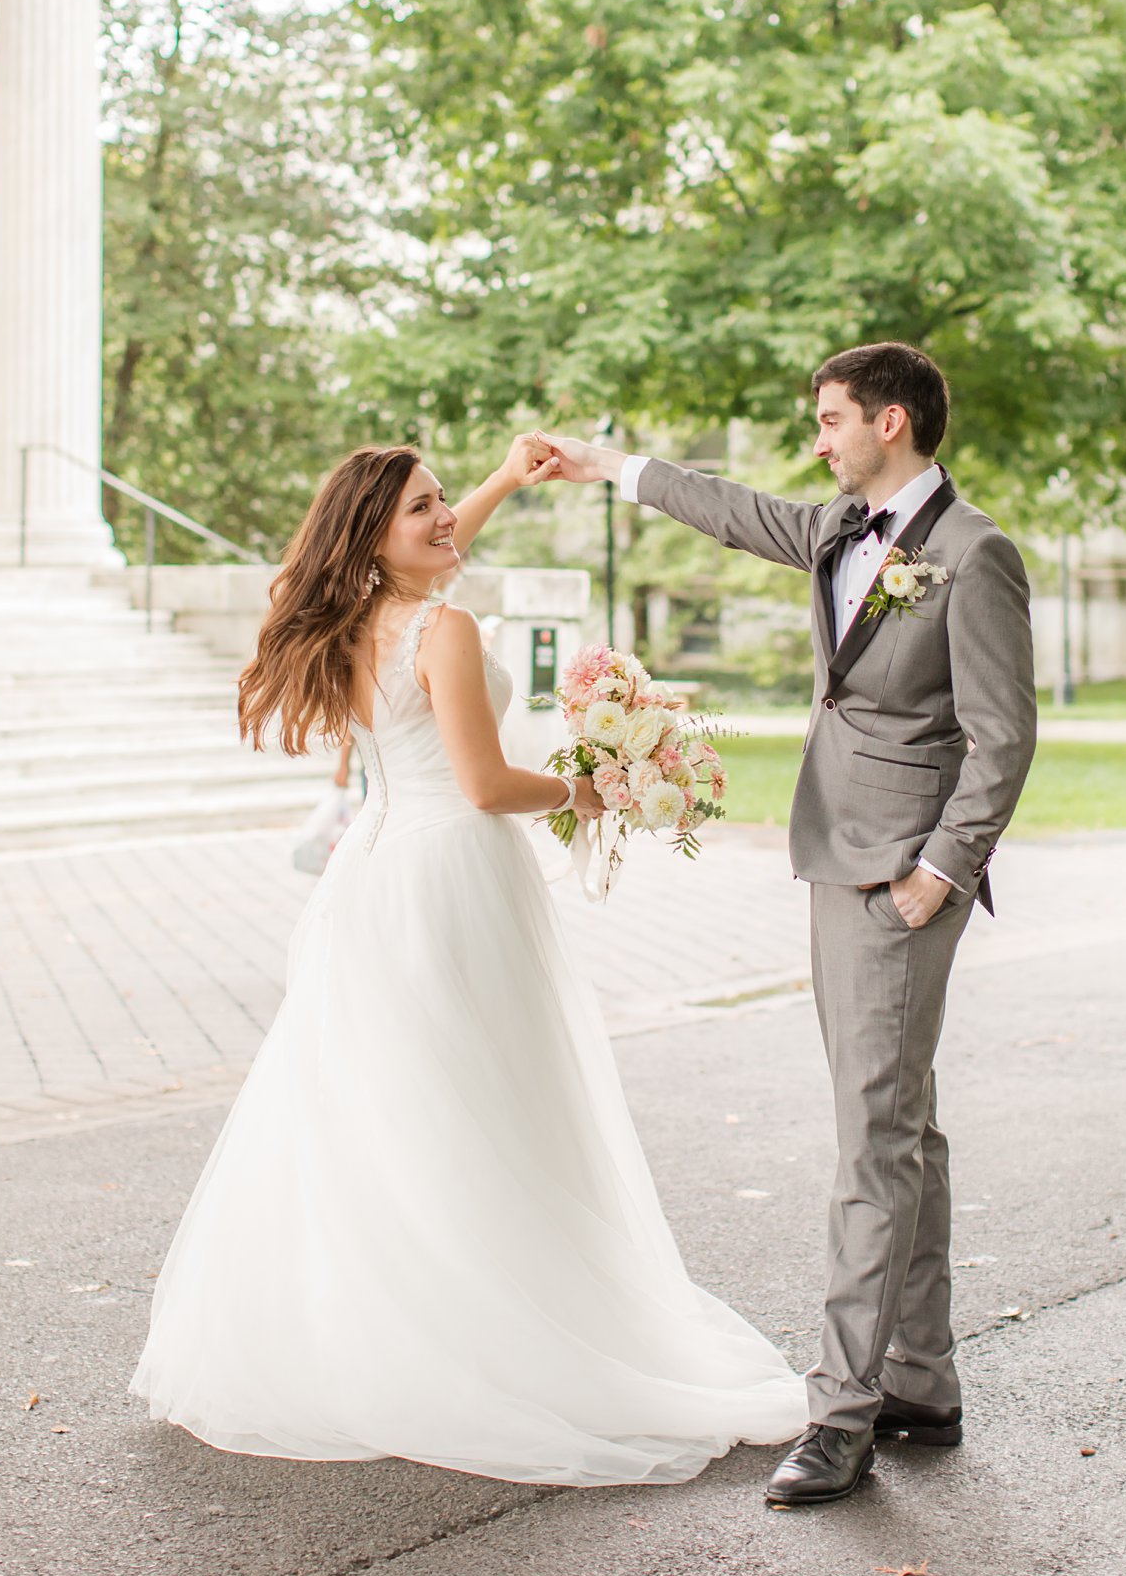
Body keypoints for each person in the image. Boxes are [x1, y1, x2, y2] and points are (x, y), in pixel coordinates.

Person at [130, 432, 805, 1482]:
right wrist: (592, 788)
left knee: (401, 1113)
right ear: (375, 536)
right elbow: (486, 785)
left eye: (445, 498)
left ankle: (390, 1335)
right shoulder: (443, 628)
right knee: (493, 1107)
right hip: (452, 879)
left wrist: (495, 483)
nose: (446, 518)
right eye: (423, 508)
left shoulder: (359, 620)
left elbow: (425, 564)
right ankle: (499, 1340)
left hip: (373, 879)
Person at [542, 342, 1037, 1508]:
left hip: (897, 874)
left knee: (871, 1127)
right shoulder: (833, 529)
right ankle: (919, 1378)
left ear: (892, 420)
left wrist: (939, 872)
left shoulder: (974, 555)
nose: (817, 439)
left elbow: (1002, 737)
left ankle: (841, 1412)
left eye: (829, 420)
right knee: (899, 1119)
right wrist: (606, 466)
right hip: (837, 856)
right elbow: (731, 509)